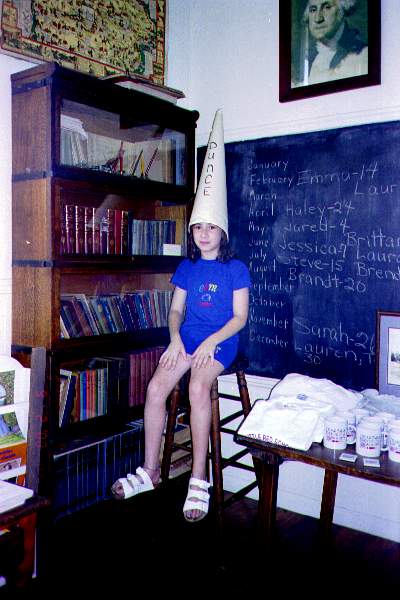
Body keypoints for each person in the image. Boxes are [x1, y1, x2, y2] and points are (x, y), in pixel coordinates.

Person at [111, 110, 251, 523]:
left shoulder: (235, 268)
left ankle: (198, 479)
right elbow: (175, 311)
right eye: (197, 227)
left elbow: (239, 318)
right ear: (191, 232)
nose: (203, 234)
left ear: (222, 232)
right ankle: (151, 470)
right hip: (187, 338)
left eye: (211, 227)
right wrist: (175, 340)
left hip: (221, 340)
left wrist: (209, 343)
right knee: (156, 387)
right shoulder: (187, 268)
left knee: (198, 387)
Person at [292, 0, 368, 87]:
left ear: (342, 11)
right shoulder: (317, 58)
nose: (318, 18)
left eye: (327, 7)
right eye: (313, 10)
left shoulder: (362, 55)